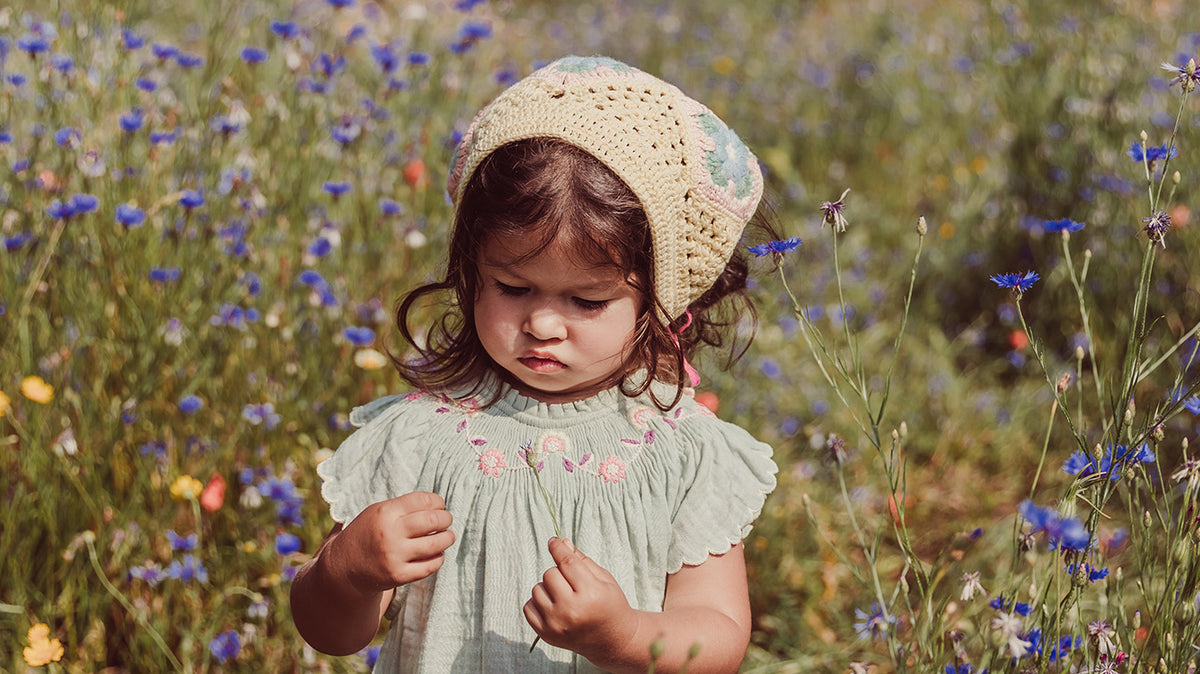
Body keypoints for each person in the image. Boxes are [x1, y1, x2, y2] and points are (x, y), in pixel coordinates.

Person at [291, 55, 778, 673]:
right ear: (471, 269)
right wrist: (346, 573)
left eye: (588, 300)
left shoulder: (682, 453)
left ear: (659, 298)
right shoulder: (419, 436)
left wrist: (622, 635)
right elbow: (329, 632)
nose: (543, 324)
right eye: (512, 287)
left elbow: (719, 636)